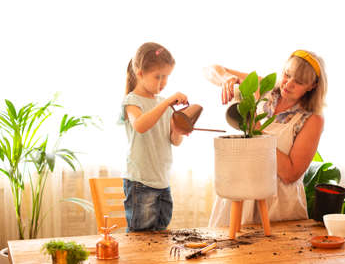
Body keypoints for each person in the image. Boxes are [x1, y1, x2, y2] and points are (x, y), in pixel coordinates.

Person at [203, 50, 328, 226]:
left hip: (277, 203)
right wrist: (226, 79)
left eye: (298, 82)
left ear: (312, 86)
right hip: (240, 190)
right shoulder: (265, 88)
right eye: (287, 74)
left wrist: (257, 132)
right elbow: (210, 69)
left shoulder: (312, 118)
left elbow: (291, 174)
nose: (288, 84)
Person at [121, 42, 191, 231]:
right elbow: (140, 125)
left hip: (162, 181)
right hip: (140, 183)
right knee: (141, 239)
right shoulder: (132, 101)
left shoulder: (163, 104)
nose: (163, 82)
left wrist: (180, 129)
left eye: (166, 76)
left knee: (159, 238)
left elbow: (174, 141)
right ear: (139, 72)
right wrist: (167, 102)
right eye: (158, 76)